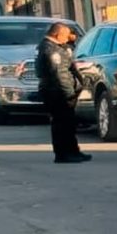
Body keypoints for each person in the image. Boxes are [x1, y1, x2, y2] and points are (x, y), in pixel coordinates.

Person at [35, 22, 91, 164]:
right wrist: (69, 93)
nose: (67, 38)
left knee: (69, 123)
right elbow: (60, 75)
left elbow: (68, 61)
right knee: (61, 124)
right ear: (57, 34)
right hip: (56, 92)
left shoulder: (58, 47)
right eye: (65, 35)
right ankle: (63, 154)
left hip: (60, 90)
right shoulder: (51, 50)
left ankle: (73, 151)